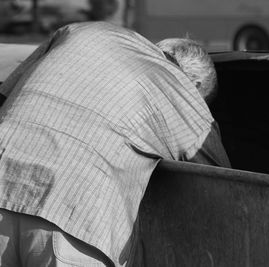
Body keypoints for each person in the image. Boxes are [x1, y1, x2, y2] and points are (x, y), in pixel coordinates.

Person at [0, 22, 230, 266]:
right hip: (72, 217)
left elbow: (6, 94)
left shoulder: (79, 31)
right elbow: (226, 181)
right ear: (194, 87)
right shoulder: (179, 89)